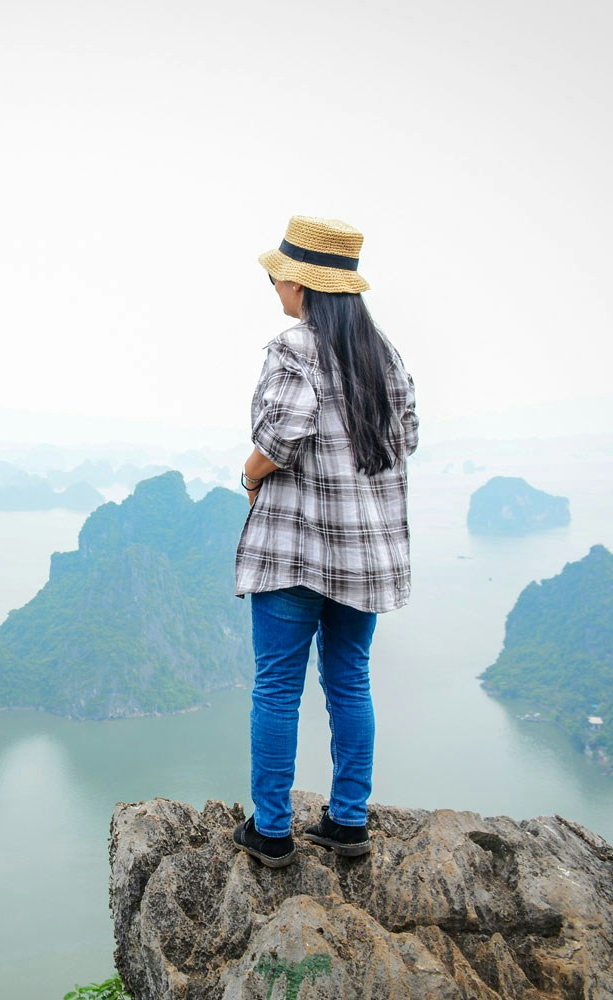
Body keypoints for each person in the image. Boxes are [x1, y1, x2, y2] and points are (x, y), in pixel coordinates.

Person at [231, 215, 418, 866]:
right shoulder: (384, 355)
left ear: (303, 285)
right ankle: (347, 821)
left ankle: (273, 830)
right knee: (349, 679)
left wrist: (250, 476)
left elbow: (279, 438)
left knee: (278, 685)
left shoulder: (294, 348)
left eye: (280, 274)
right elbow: (407, 440)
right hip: (365, 555)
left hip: (297, 551)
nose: (275, 284)